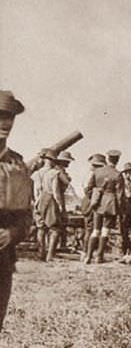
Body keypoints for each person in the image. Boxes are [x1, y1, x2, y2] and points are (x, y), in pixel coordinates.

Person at [0, 90, 33, 331]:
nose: (6, 123)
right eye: (0, 116)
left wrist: (12, 234)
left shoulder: (17, 165)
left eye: (10, 117)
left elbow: (25, 217)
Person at [82, 149, 124, 263]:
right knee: (105, 231)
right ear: (117, 161)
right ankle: (99, 257)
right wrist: (119, 210)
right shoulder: (117, 174)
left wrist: (94, 198)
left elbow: (88, 189)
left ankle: (88, 256)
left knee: (95, 230)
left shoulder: (97, 172)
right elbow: (120, 196)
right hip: (110, 204)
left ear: (108, 159)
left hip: (98, 204)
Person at [34, 150, 72, 261]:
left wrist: (37, 202)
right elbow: (55, 191)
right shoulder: (53, 173)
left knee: (41, 228)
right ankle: (50, 255)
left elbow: (36, 191)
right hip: (50, 198)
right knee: (54, 228)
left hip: (40, 199)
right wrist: (60, 205)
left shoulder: (37, 174)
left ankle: (41, 253)